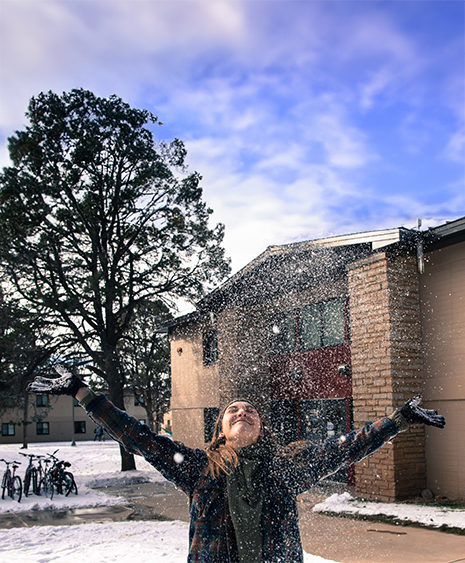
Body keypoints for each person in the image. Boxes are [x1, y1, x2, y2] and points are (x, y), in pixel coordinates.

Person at [28, 372, 445, 563]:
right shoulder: (197, 468)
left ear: (260, 428)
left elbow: (346, 447)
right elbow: (140, 437)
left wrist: (398, 421)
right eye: (233, 409)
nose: (242, 411)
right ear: (221, 429)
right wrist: (84, 394)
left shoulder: (286, 467)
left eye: (250, 410)